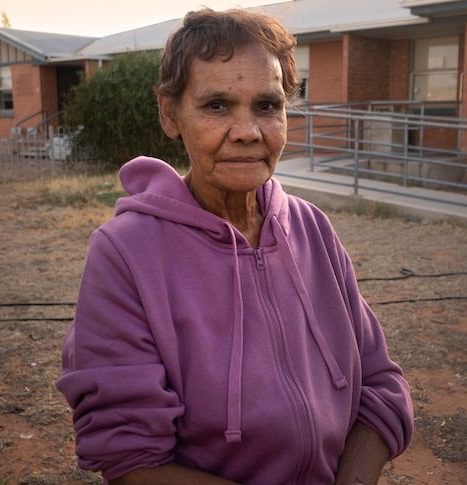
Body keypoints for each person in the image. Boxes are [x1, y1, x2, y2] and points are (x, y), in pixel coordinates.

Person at [56, 7, 413, 485]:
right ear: (170, 115)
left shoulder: (312, 229)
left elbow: (382, 387)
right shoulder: (126, 253)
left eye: (267, 105)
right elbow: (131, 460)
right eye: (217, 105)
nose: (247, 130)